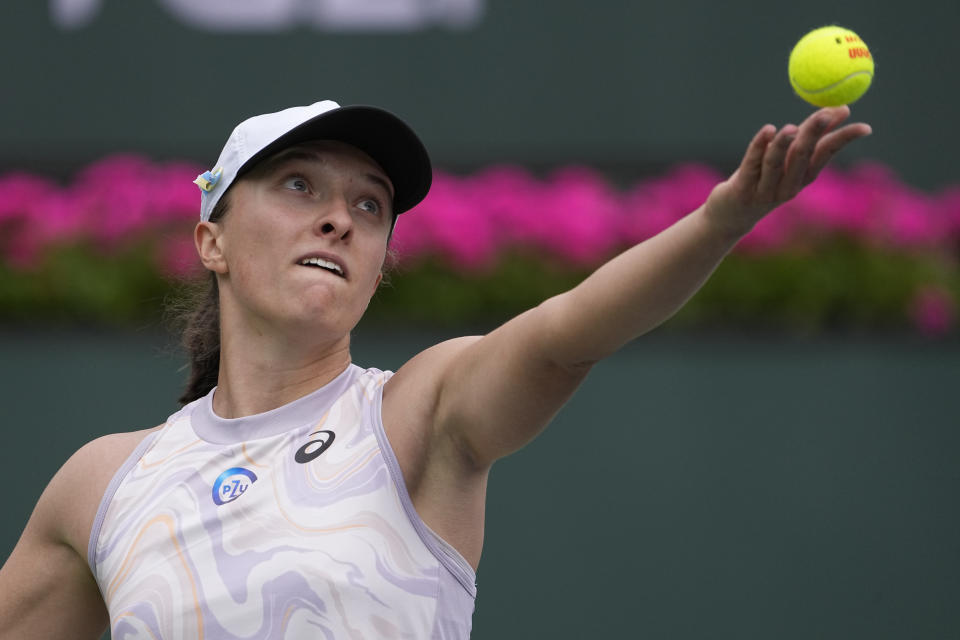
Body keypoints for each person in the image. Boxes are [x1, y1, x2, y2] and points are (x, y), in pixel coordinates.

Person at [0, 99, 871, 639]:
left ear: (380, 266)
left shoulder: (418, 414)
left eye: (368, 204)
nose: (340, 217)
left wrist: (721, 222)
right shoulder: (102, 484)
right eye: (299, 186)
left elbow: (568, 333)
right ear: (211, 241)